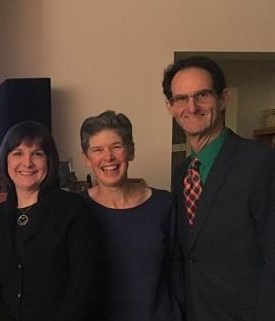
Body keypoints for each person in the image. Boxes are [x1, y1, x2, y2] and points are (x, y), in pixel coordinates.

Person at [162, 56, 275, 321]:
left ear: (222, 98)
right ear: (170, 106)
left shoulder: (261, 163)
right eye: (181, 98)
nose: (192, 107)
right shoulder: (182, 173)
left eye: (202, 95)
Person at [0, 121, 103, 321]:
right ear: (6, 160)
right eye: (18, 153)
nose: (27, 163)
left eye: (37, 154)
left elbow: (85, 285)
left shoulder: (73, 210)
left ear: (49, 160)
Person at [80, 111, 182, 321]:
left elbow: (179, 274)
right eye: (97, 150)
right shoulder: (76, 209)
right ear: (87, 159)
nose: (108, 157)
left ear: (131, 151)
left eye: (116, 146)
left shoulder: (164, 205)